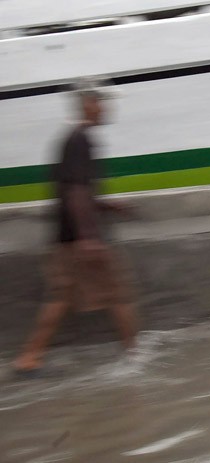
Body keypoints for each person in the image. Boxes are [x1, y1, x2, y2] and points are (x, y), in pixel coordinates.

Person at [13, 78, 139, 374]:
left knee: (61, 298)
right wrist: (89, 238)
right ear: (89, 105)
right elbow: (76, 191)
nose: (107, 109)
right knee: (119, 293)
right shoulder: (81, 140)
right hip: (80, 239)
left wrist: (108, 205)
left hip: (65, 239)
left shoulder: (70, 138)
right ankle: (135, 357)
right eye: (102, 103)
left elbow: (74, 189)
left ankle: (29, 357)